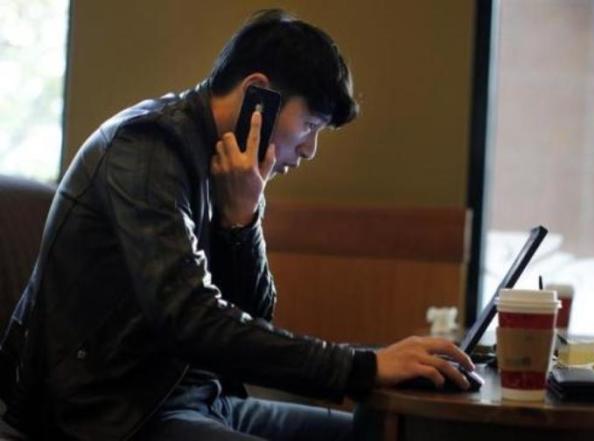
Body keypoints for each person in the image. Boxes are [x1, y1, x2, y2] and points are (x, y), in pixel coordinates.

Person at [0, 9, 474, 440]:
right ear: (256, 96)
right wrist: (363, 368)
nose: (309, 150)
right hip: (110, 414)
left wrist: (243, 219)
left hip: (194, 399)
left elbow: (252, 316)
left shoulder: (224, 170)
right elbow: (189, 318)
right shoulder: (145, 150)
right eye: (309, 125)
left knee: (370, 435)